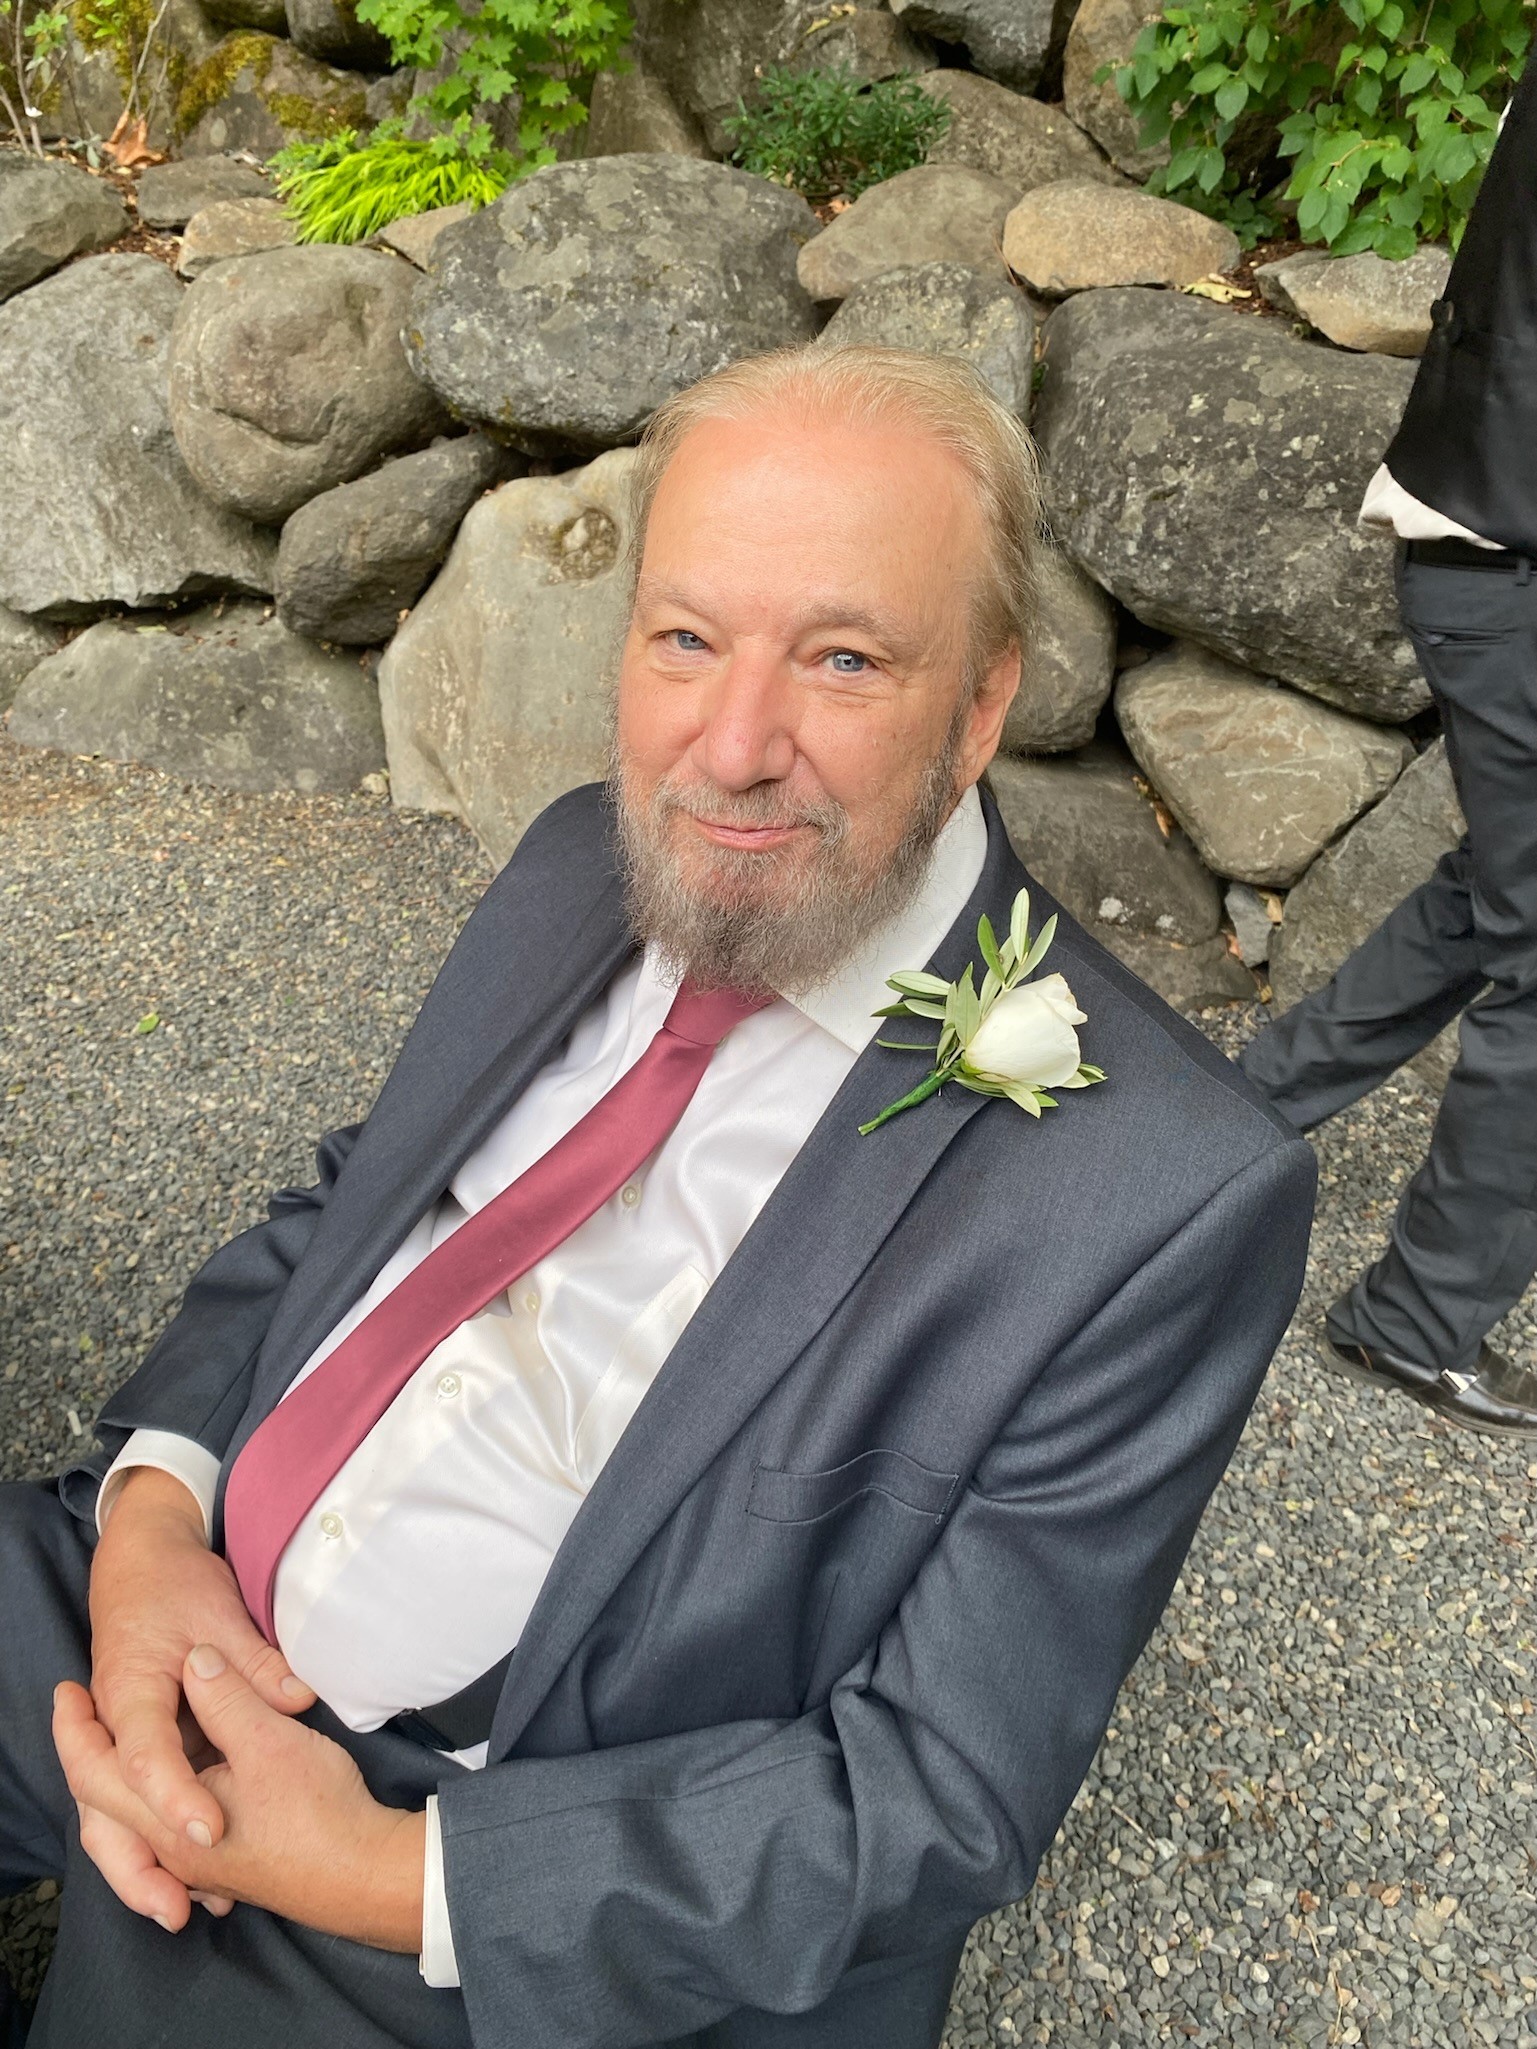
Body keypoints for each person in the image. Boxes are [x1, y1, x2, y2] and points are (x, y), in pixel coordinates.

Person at [0, 346, 1315, 2049]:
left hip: (473, 1851)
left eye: (842, 659)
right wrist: (156, 1520)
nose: (734, 745)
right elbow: (350, 1206)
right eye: (684, 640)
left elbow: (934, 1791)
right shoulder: (581, 854)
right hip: (165, 1587)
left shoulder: (1165, 1191)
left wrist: (385, 1872)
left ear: (984, 703)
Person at [1240, 61, 1537, 1438]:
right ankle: (1413, 1322)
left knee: (1496, 896)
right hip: (1503, 557)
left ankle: (1227, 1118)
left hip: (1483, 542)